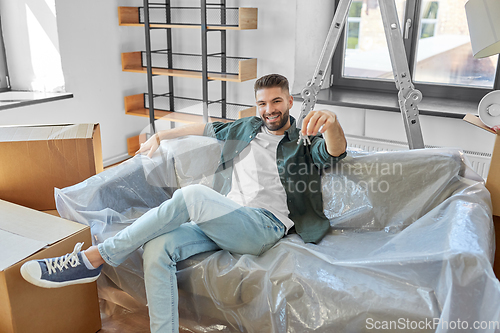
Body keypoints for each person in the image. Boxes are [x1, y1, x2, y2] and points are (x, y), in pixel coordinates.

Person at [20, 74, 347, 333]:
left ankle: (95, 258)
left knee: (193, 196)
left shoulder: (304, 140)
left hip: (262, 226)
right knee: (157, 248)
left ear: (290, 101)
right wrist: (159, 136)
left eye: (277, 101)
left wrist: (332, 124)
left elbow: (334, 151)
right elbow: (203, 128)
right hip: (226, 218)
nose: (270, 109)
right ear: (256, 105)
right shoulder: (246, 127)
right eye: (263, 103)